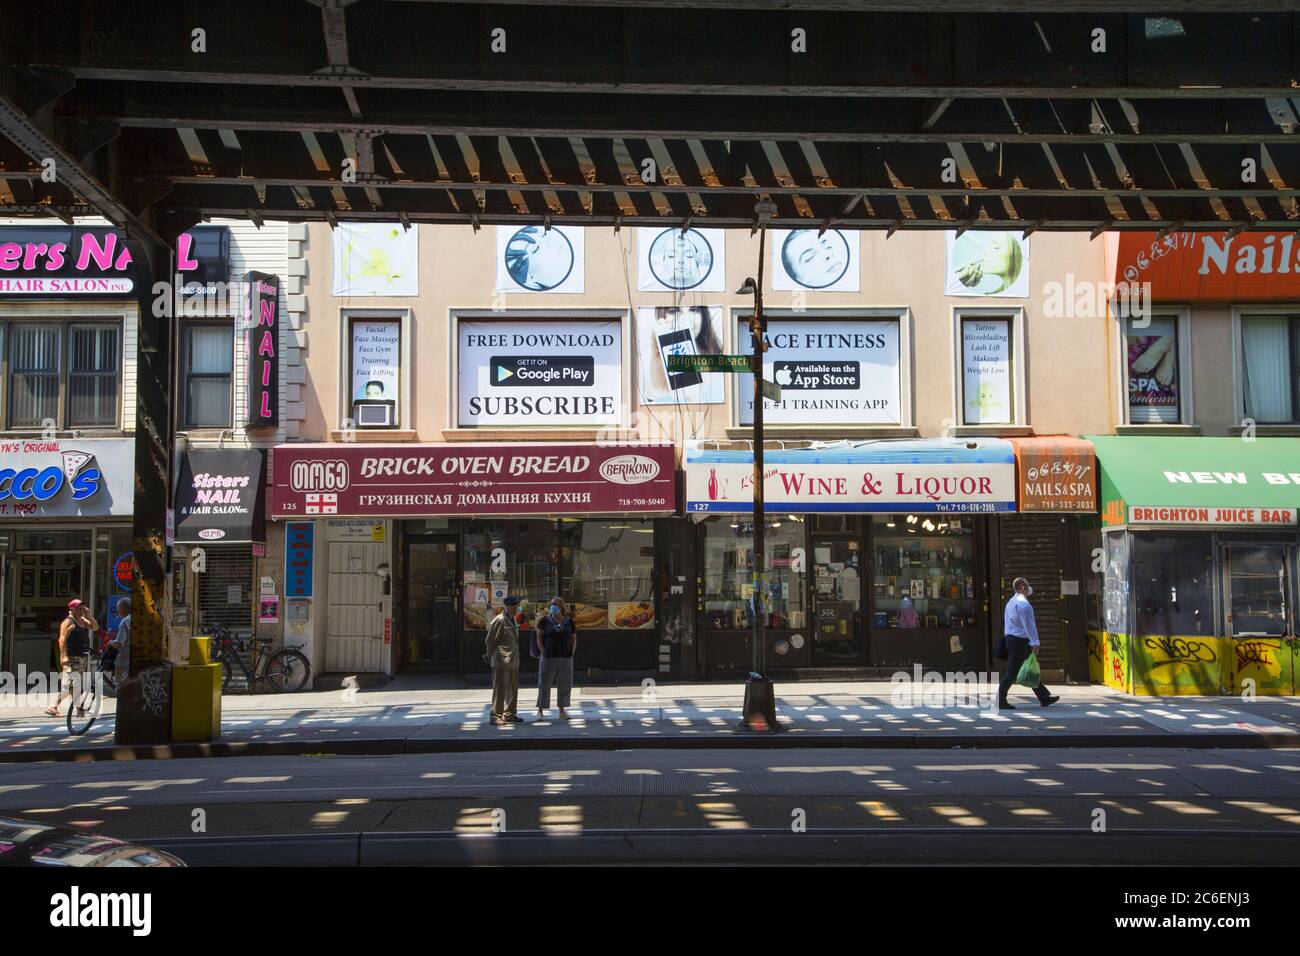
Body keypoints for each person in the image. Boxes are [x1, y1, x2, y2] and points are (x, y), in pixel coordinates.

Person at [999, 577, 1059, 710]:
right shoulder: (1023, 605)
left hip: (1012, 640)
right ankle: (1000, 699)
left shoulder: (1011, 602)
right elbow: (1029, 626)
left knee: (1029, 669)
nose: (1029, 588)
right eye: (1027, 585)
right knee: (1011, 673)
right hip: (1019, 642)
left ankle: (1044, 697)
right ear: (1022, 587)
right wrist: (1035, 643)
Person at [45, 599, 99, 718]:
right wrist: (63, 656)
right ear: (72, 609)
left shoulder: (83, 620)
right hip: (72, 657)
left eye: (82, 608)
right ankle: (54, 706)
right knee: (70, 684)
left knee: (76, 685)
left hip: (82, 657)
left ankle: (79, 710)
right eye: (79, 608)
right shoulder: (68, 622)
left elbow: (95, 627)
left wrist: (88, 615)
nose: (81, 611)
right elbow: (62, 639)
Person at [536, 596, 577, 719]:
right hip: (548, 656)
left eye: (555, 605)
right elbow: (539, 637)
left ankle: (562, 711)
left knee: (565, 684)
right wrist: (543, 651)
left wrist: (572, 652)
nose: (552, 607)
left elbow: (574, 638)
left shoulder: (569, 621)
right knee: (544, 683)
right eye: (551, 604)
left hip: (565, 657)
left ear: (561, 607)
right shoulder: (545, 620)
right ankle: (540, 711)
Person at [485, 596, 523, 725]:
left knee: (512, 688)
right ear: (510, 606)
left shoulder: (512, 619)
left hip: (513, 659)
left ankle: (510, 713)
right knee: (500, 689)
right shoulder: (500, 620)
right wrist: (492, 656)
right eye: (517, 605)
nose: (519, 607)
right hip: (501, 659)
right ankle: (495, 715)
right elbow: (490, 641)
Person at [109, 597, 131, 686]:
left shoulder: (125, 621)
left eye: (118, 608)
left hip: (124, 660)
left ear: (123, 608)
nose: (118, 611)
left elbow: (118, 644)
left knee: (121, 685)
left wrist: (110, 642)